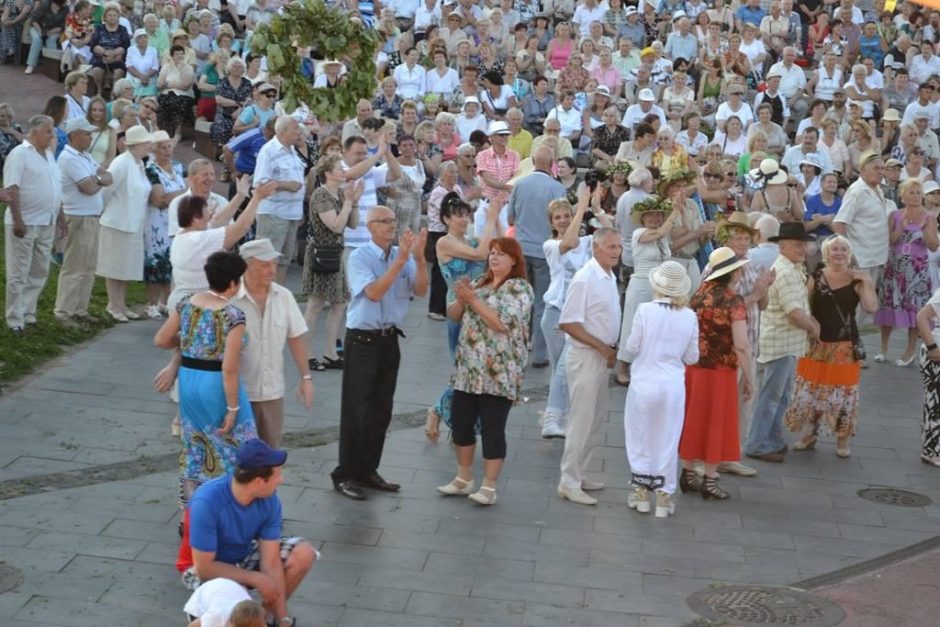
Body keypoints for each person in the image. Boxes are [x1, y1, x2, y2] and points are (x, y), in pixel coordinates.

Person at [330, 207, 428, 500]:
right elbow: (373, 293)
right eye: (384, 222)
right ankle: (345, 473)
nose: (391, 226)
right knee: (356, 409)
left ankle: (368, 469)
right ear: (371, 226)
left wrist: (420, 260)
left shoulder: (404, 254)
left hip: (389, 339)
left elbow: (421, 290)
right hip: (362, 340)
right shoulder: (361, 256)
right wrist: (399, 262)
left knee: (381, 410)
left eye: (393, 222)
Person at [154, 250, 259, 510]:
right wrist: (233, 409)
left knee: (194, 446)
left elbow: (161, 340)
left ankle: (190, 512)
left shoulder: (187, 303)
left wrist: (192, 346)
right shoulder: (233, 316)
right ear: (234, 283)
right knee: (237, 445)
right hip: (216, 385)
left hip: (189, 381)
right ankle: (234, 508)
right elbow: (230, 369)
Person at [437, 237, 534, 505]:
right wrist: (461, 299)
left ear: (514, 260)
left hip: (499, 372)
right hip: (468, 369)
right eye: (492, 253)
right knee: (461, 422)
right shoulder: (479, 282)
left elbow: (502, 322)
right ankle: (463, 477)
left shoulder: (519, 288)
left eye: (501, 254)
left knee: (492, 427)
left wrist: (473, 301)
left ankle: (489, 487)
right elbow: (454, 315)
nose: (494, 258)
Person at [183, 438, 317, 625]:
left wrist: (283, 618)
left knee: (303, 553)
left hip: (243, 555)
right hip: (205, 568)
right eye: (277, 475)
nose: (281, 480)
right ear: (258, 482)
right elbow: (204, 568)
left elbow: (270, 561)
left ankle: (266, 619)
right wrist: (256, 579)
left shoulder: (269, 500)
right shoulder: (207, 502)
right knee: (231, 607)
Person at [786, 235, 877, 459]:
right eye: (834, 249)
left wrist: (867, 282)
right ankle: (810, 434)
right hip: (816, 342)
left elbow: (871, 307)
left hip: (845, 344)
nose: (839, 253)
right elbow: (804, 305)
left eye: (843, 249)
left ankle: (842, 438)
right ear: (826, 254)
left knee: (844, 392)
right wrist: (808, 328)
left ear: (850, 254)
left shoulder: (857, 279)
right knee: (812, 389)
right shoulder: (815, 277)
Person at [623, 260, 699, 516]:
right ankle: (664, 496)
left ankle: (641, 492)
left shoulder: (644, 310)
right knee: (668, 438)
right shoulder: (690, 316)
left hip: (644, 382)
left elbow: (632, 347)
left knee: (639, 436)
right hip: (672, 386)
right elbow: (692, 358)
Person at [555, 227, 622, 506]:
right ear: (595, 248)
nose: (617, 251)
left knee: (594, 419)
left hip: (600, 355)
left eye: (618, 246)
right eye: (611, 247)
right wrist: (601, 347)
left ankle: (579, 474)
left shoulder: (607, 275)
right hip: (586, 356)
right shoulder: (585, 278)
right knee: (580, 420)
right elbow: (568, 322)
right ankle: (568, 481)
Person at [680, 247, 753, 501]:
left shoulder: (698, 295)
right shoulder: (733, 300)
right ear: (733, 272)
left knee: (694, 418)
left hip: (695, 368)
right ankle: (710, 479)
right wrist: (750, 378)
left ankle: (688, 472)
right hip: (721, 371)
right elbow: (741, 344)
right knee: (717, 421)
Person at [745, 222, 820, 463]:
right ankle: (757, 444)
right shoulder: (787, 271)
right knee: (770, 397)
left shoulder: (792, 267)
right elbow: (794, 314)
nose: (803, 249)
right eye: (798, 245)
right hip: (779, 343)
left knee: (780, 396)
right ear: (783, 246)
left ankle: (772, 440)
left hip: (785, 343)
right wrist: (815, 329)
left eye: (804, 244)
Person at [232, 239, 314, 447]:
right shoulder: (229, 299)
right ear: (247, 265)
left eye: (274, 264)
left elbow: (295, 337)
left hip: (272, 392)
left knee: (270, 454)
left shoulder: (283, 296)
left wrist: (306, 377)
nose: (272, 270)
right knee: (237, 456)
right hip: (236, 394)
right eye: (265, 264)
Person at [540, 191, 595, 439]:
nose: (562, 221)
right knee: (562, 368)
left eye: (566, 216)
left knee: (561, 369)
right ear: (551, 223)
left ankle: (557, 416)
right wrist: (581, 206)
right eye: (558, 218)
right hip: (556, 314)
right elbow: (569, 243)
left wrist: (596, 207)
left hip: (577, 314)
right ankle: (552, 420)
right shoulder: (550, 245)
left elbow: (608, 232)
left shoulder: (586, 243)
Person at [3, 114, 63, 333]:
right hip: (25, 222)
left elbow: (55, 188)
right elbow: (12, 189)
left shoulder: (48, 155)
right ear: (35, 132)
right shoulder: (20, 154)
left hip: (46, 220)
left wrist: (60, 218)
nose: (52, 136)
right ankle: (14, 319)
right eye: (49, 131)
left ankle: (28, 312)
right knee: (19, 272)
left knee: (39, 270)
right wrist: (18, 219)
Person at [506, 146, 565, 368]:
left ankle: (517, 349)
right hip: (544, 251)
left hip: (521, 249)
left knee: (521, 301)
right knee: (541, 301)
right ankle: (540, 354)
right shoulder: (556, 188)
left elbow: (510, 218)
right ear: (552, 162)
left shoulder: (519, 184)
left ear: (532, 160)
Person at [302, 156, 362, 372]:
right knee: (316, 304)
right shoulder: (321, 195)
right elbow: (336, 226)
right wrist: (347, 202)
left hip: (335, 252)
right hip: (321, 253)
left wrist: (353, 202)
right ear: (328, 173)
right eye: (339, 168)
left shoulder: (339, 194)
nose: (344, 170)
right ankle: (306, 354)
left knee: (339, 303)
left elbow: (353, 224)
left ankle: (330, 352)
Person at [615, 196, 679, 386]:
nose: (654, 219)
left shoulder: (663, 236)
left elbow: (664, 239)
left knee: (655, 327)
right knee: (633, 325)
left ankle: (646, 364)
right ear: (642, 219)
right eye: (649, 216)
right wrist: (676, 210)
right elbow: (660, 232)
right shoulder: (639, 234)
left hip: (660, 286)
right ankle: (622, 365)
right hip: (642, 283)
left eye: (658, 215)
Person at [53, 117, 112, 323]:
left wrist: (97, 180)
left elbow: (107, 176)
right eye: (87, 133)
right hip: (78, 216)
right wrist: (98, 180)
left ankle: (79, 309)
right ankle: (63, 311)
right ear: (74, 135)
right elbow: (87, 187)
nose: (90, 137)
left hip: (92, 217)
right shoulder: (69, 158)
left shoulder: (85, 156)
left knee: (88, 267)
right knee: (74, 266)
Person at [874, 179, 939, 367]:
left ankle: (909, 351)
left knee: (914, 309)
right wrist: (901, 227)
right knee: (887, 305)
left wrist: (926, 230)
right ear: (903, 195)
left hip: (917, 270)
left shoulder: (929, 218)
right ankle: (883, 348)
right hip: (894, 268)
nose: (916, 196)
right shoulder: (894, 215)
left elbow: (934, 246)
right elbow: (890, 241)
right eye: (912, 192)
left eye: (919, 193)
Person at [96, 125, 152, 322]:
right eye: (146, 143)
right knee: (114, 265)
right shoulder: (121, 163)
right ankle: (113, 304)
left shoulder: (139, 164)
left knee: (126, 265)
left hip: (134, 222)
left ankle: (121, 303)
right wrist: (102, 211)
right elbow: (107, 191)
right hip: (117, 221)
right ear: (136, 145)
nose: (149, 147)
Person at [833, 151, 889, 329]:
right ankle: (846, 344)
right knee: (856, 307)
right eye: (876, 168)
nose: (881, 172)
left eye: (882, 168)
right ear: (863, 169)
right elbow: (840, 223)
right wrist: (847, 256)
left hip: (875, 257)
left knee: (866, 306)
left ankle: (852, 342)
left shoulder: (877, 188)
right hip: (860, 259)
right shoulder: (856, 191)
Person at [252, 116, 305, 285]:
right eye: (295, 131)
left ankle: (277, 296)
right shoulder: (269, 151)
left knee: (284, 260)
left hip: (291, 215)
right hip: (274, 214)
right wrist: (286, 185)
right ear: (283, 131)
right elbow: (260, 183)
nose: (299, 134)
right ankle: (264, 299)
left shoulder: (292, 151)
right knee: (268, 259)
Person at [143, 130, 186, 319]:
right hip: (157, 223)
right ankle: (151, 303)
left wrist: (178, 194)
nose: (168, 150)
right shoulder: (151, 169)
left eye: (169, 146)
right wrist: (183, 192)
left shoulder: (177, 166)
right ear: (154, 150)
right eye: (163, 147)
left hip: (176, 221)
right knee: (155, 261)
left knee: (172, 262)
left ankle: (166, 302)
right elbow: (159, 199)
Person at [916, 291, 940, 467]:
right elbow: (922, 317)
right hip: (936, 354)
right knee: (935, 405)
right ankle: (931, 450)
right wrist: (933, 348)